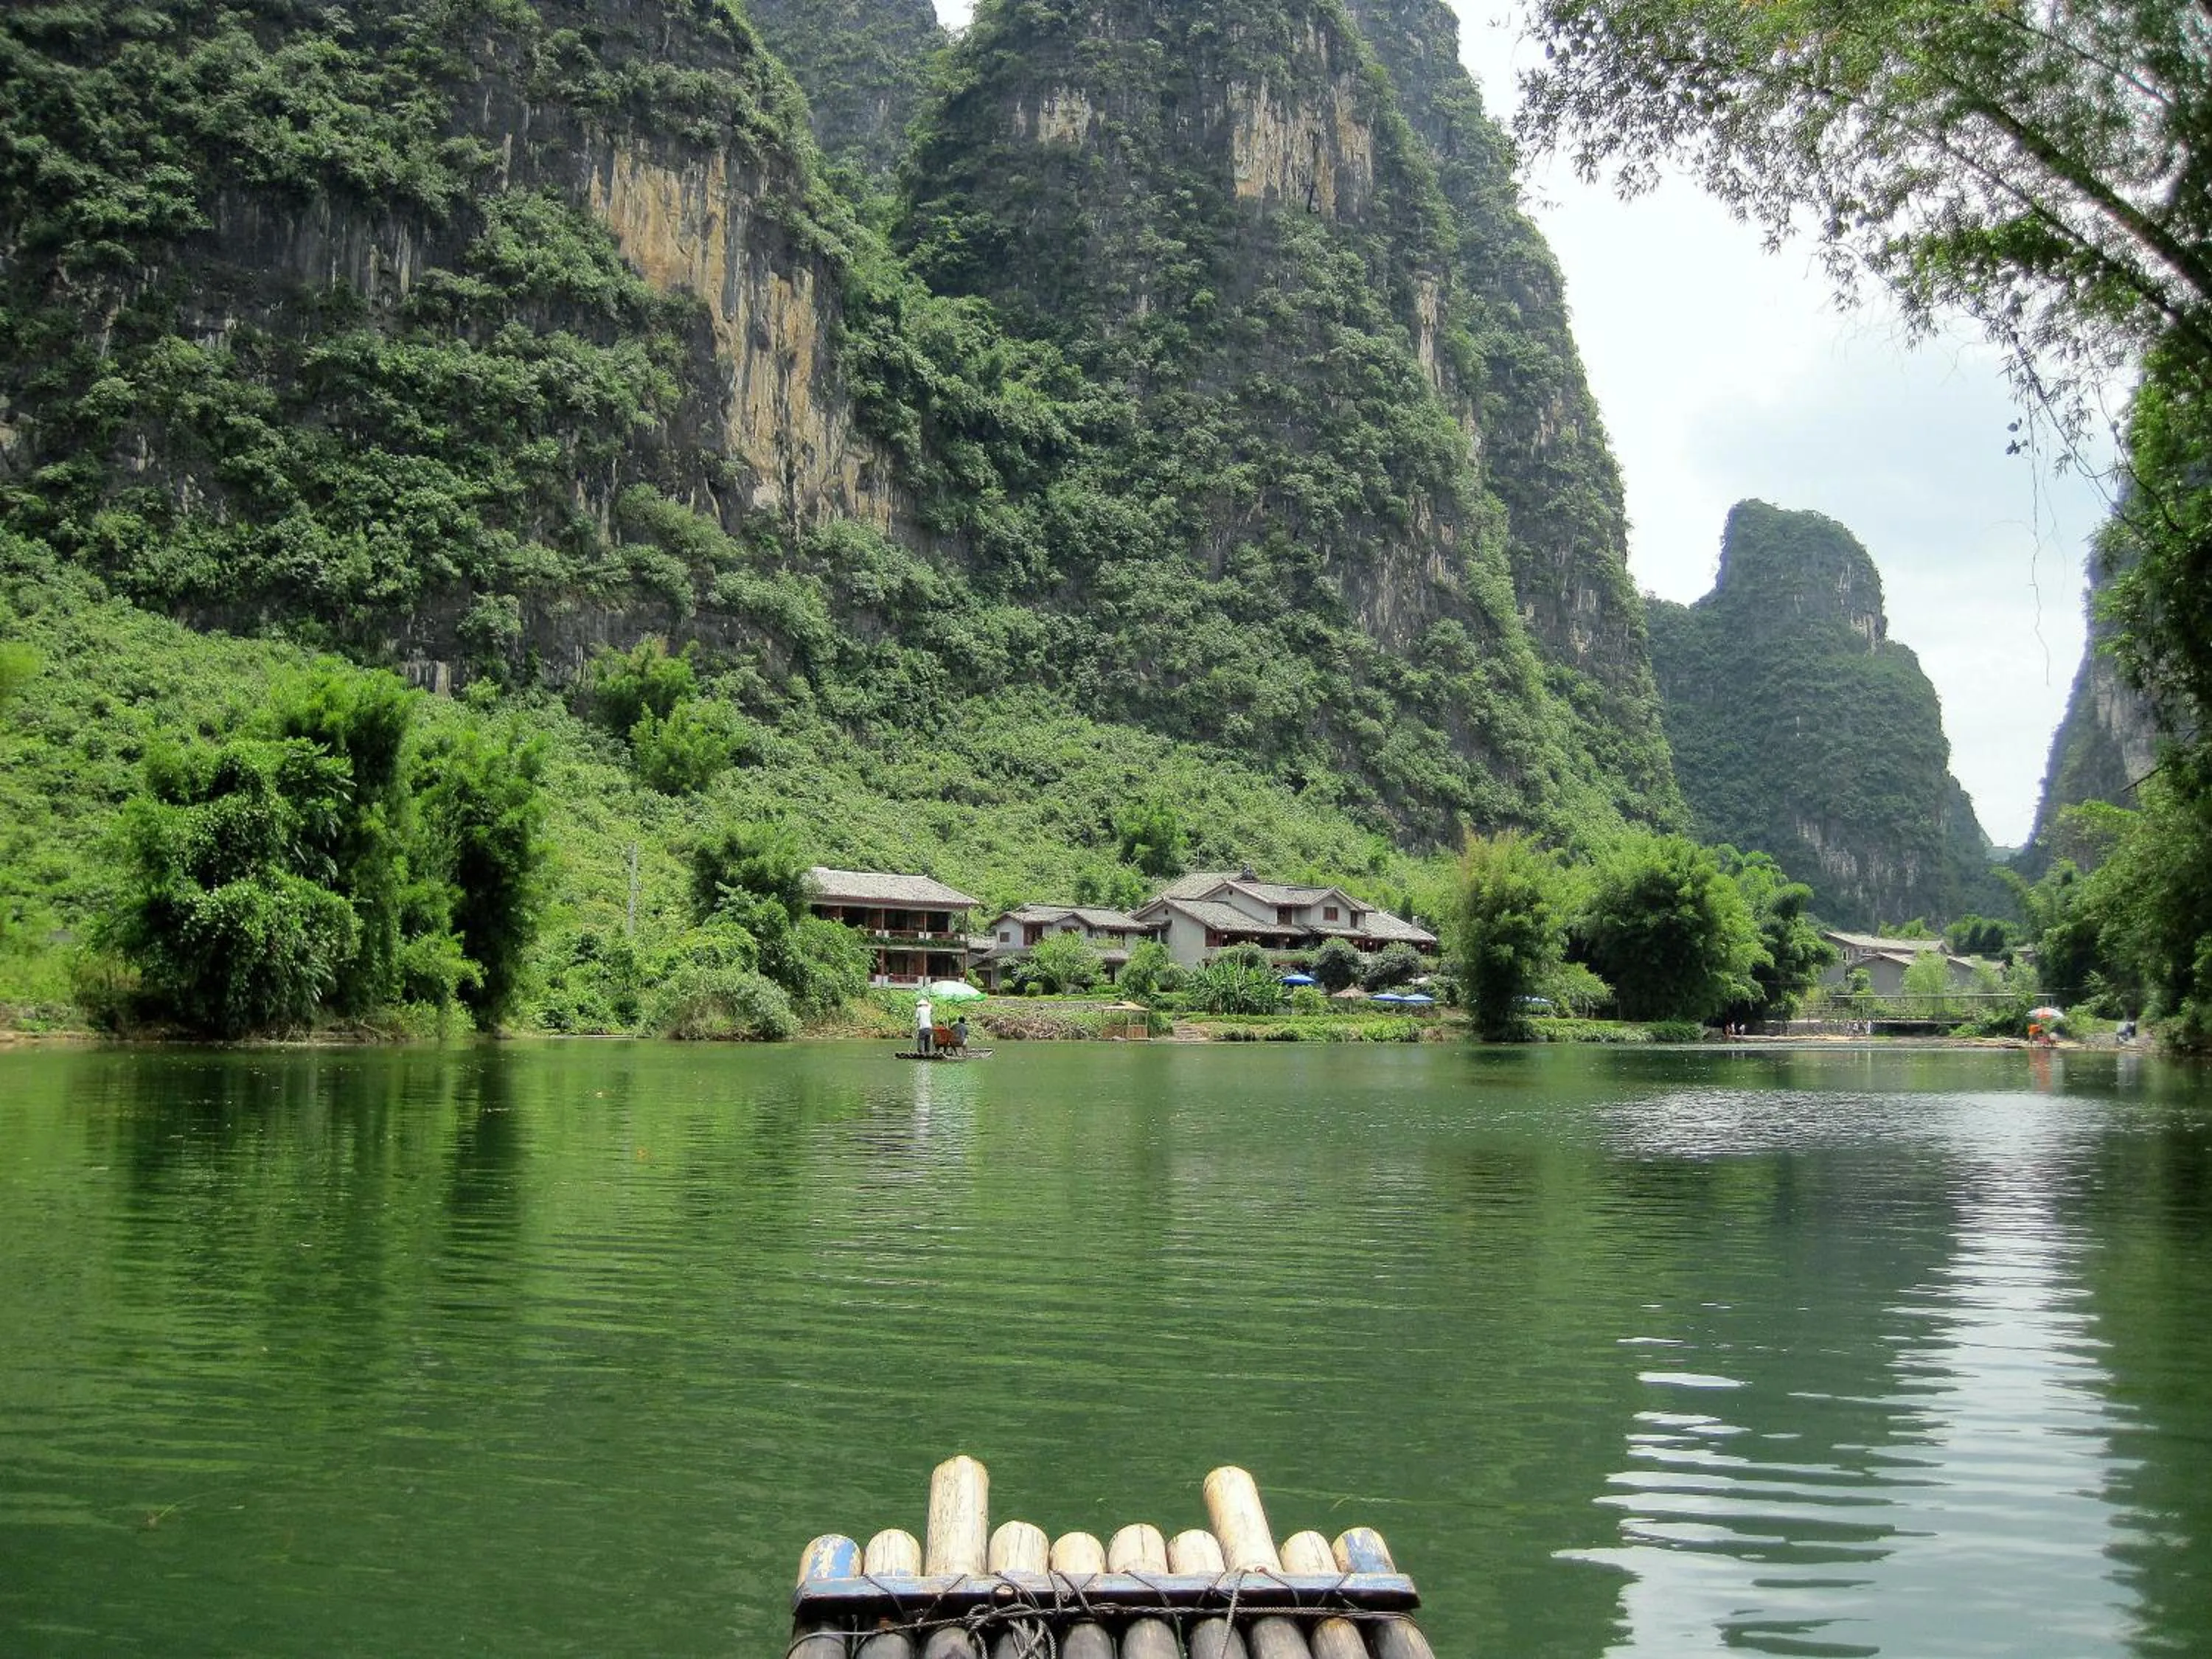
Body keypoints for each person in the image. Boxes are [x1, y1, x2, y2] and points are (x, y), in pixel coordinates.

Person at [914, 992, 933, 1056]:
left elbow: (917, 1018)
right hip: (929, 1027)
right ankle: (927, 1051)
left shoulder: (919, 1009)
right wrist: (928, 998)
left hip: (922, 1027)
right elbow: (930, 1005)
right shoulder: (928, 1009)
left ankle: (921, 1052)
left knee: (921, 1039)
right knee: (928, 1040)